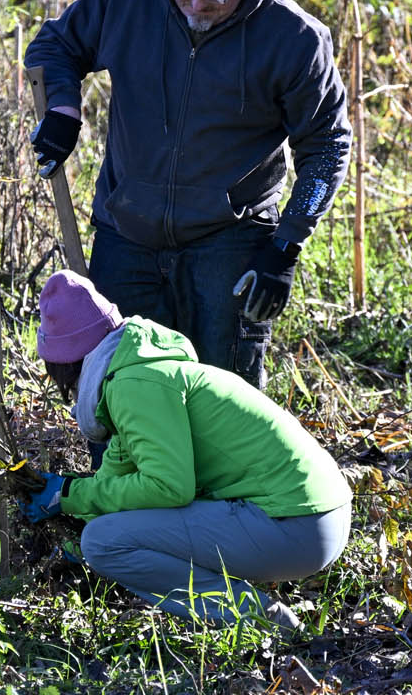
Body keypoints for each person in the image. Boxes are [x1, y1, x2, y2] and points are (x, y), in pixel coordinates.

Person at [24, 0, 351, 388]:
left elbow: (326, 145)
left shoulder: (295, 40)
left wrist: (285, 247)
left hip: (230, 241)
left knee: (226, 394)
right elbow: (54, 46)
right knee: (123, 385)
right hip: (127, 229)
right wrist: (63, 111)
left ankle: (227, 469)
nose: (198, 5)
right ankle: (122, 470)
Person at [21, 270, 352, 631]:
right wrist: (74, 510)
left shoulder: (133, 386)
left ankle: (259, 620)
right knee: (99, 533)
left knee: (103, 543)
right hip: (316, 516)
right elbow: (118, 475)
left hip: (297, 526)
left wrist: (67, 495)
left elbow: (168, 486)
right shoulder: (138, 371)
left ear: (63, 364)